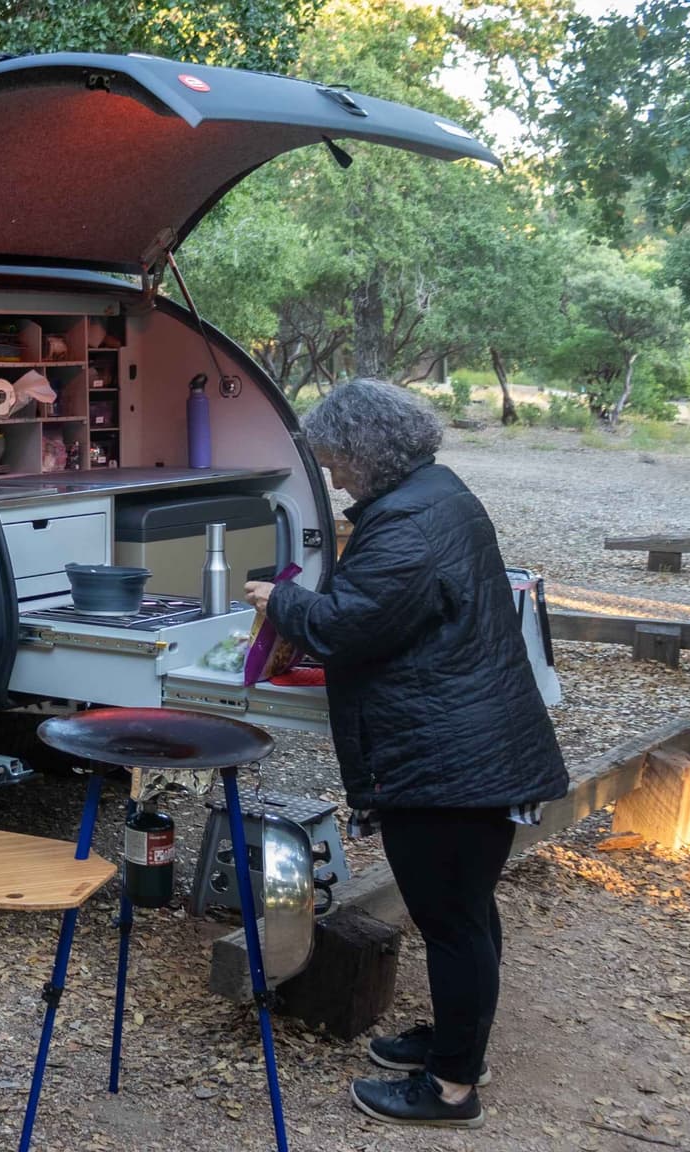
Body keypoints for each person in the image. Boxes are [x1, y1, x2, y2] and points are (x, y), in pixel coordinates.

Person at [242, 378, 568, 1129]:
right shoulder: (437, 493)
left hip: (448, 756)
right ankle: (460, 1044)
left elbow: (348, 626)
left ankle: (452, 1089)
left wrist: (278, 601)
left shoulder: (409, 525)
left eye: (337, 463)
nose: (333, 477)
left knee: (451, 918)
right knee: (465, 910)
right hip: (471, 740)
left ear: (367, 451)